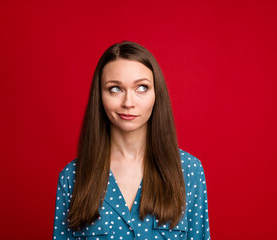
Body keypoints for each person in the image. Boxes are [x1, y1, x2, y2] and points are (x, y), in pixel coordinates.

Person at [53, 41, 210, 240]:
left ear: (156, 94)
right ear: (99, 95)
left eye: (141, 88)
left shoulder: (189, 171)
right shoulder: (72, 177)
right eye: (115, 89)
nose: (128, 103)